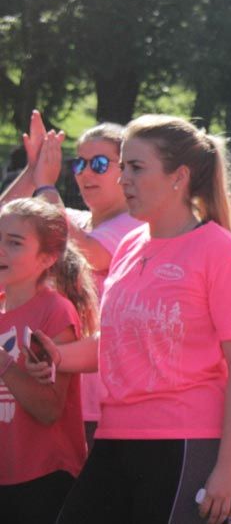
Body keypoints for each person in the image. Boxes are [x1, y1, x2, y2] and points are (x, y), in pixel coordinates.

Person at [31, 115, 231, 524]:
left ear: (180, 177)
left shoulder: (222, 253)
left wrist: (229, 468)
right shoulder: (130, 244)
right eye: (123, 167)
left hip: (187, 441)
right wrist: (58, 356)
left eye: (136, 167)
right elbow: (115, 343)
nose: (124, 180)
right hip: (115, 436)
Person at [16, 114, 144, 446]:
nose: (85, 173)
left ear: (126, 169)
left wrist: (46, 186)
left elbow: (88, 253)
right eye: (79, 163)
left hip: (104, 404)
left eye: (100, 163)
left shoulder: (136, 226)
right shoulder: (72, 218)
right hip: (56, 392)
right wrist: (32, 174)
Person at [0, 198, 96, 522]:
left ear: (47, 258)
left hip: (43, 479)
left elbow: (48, 409)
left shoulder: (55, 312)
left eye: (13, 243)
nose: (0, 249)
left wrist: (4, 364)